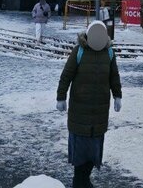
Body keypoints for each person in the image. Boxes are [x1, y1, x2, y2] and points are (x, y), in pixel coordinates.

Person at [56, 21, 123, 188]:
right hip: (79, 113)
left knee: (93, 153)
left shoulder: (109, 53)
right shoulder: (79, 51)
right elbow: (66, 75)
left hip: (99, 114)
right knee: (80, 155)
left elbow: (114, 77)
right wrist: (61, 97)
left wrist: (117, 95)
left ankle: (83, 182)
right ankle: (80, 182)